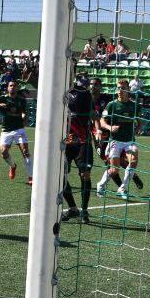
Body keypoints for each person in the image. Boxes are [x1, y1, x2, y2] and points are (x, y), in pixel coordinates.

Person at [97, 79, 144, 200]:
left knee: (133, 161)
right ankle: (101, 185)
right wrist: (109, 127)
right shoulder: (111, 105)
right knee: (114, 170)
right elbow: (102, 121)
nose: (120, 91)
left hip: (129, 141)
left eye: (122, 88)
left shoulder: (134, 106)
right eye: (118, 88)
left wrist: (139, 128)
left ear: (128, 90)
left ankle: (122, 188)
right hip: (115, 141)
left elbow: (139, 121)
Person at [61, 75, 95, 223]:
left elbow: (93, 114)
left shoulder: (86, 95)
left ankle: (85, 210)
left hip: (83, 140)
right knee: (60, 176)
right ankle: (73, 208)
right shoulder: (65, 92)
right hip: (68, 140)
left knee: (85, 175)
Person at [0, 79, 33, 184]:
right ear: (8, 88)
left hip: (19, 129)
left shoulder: (22, 100)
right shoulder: (2, 98)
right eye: (10, 85)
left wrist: (24, 116)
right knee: (3, 152)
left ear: (17, 88)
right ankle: (13, 166)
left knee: (25, 152)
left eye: (14, 86)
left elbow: (24, 112)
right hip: (6, 130)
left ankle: (31, 177)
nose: (12, 87)